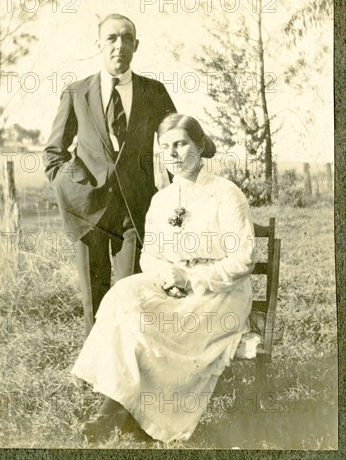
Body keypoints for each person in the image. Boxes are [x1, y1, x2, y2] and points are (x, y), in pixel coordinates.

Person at [71, 113, 256, 443]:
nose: (173, 153)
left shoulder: (226, 194)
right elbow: (150, 255)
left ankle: (117, 412)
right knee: (122, 296)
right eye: (165, 147)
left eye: (181, 143)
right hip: (174, 286)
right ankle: (121, 407)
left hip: (217, 293)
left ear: (199, 145)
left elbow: (242, 258)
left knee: (148, 327)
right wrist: (167, 275)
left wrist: (194, 279)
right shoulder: (161, 199)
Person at [43, 14, 176, 337]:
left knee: (133, 290)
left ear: (136, 45)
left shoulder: (153, 92)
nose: (119, 45)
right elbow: (53, 154)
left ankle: (129, 362)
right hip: (88, 210)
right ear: (98, 46)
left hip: (136, 210)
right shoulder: (77, 93)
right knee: (94, 292)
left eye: (126, 38)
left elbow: (177, 138)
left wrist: (179, 192)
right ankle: (95, 366)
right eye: (111, 38)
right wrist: (74, 188)